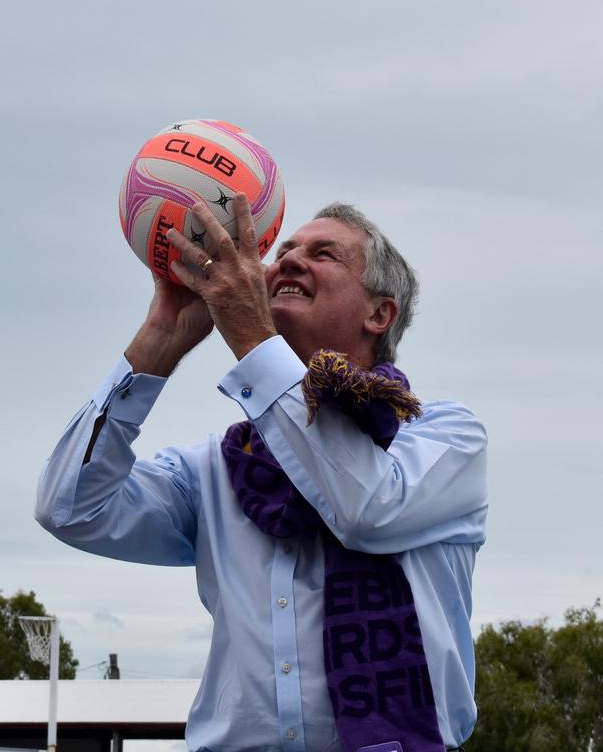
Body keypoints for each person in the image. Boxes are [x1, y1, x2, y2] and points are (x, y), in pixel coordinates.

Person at [36, 195, 487, 752]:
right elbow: (69, 507)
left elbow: (365, 510)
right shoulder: (216, 468)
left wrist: (252, 337)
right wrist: (159, 338)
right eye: (287, 249)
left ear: (379, 314)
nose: (288, 260)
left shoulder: (446, 438)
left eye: (324, 254)